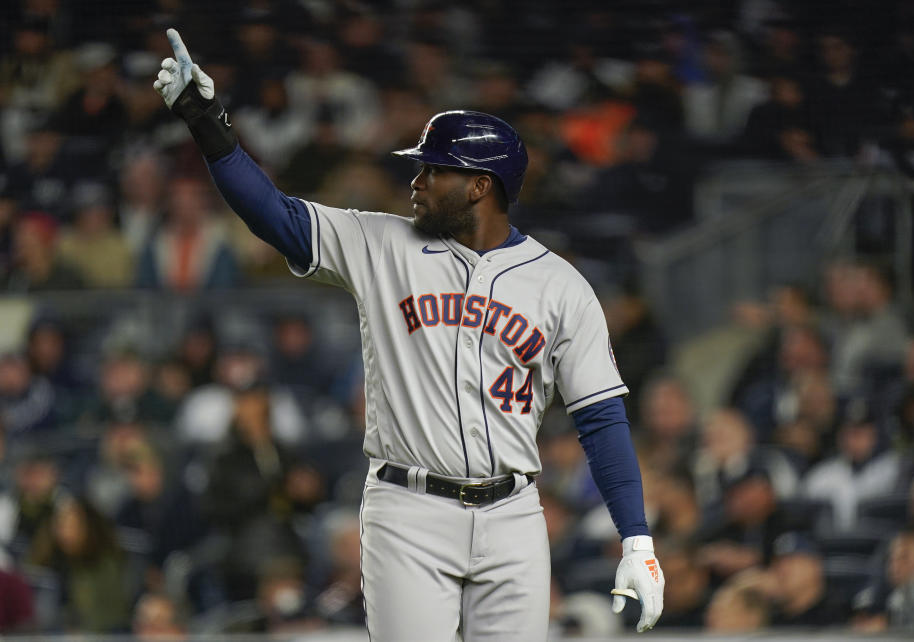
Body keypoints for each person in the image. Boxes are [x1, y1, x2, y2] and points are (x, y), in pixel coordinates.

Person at [154, 28, 663, 640]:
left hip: (513, 514)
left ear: (481, 186)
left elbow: (601, 419)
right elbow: (276, 215)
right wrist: (209, 125)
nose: (416, 183)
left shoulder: (561, 286)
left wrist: (636, 538)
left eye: (432, 171)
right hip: (408, 508)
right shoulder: (382, 243)